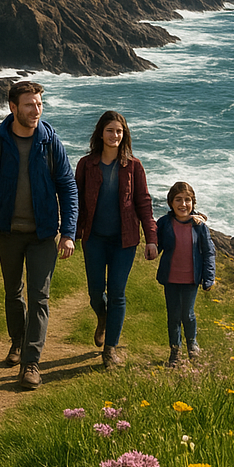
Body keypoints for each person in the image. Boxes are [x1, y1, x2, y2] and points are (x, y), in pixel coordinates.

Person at [0, 80, 78, 390]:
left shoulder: (50, 141)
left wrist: (68, 233)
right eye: (30, 105)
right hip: (7, 231)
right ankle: (17, 341)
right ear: (13, 107)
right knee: (13, 292)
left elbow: (68, 188)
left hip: (43, 234)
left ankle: (31, 363)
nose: (36, 110)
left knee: (39, 297)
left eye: (40, 104)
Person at [74, 110, 158, 369]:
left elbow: (143, 202)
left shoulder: (134, 166)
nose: (115, 135)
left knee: (118, 294)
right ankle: (103, 317)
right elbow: (75, 201)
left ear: (125, 135)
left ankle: (110, 350)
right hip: (94, 239)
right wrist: (70, 234)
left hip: (125, 241)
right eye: (110, 130)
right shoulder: (86, 164)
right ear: (101, 133)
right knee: (95, 292)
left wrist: (151, 238)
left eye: (119, 131)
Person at [155, 181, 216, 367]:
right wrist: (150, 248)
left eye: (187, 200)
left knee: (187, 314)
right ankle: (175, 352)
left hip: (191, 279)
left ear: (193, 202)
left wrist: (209, 277)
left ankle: (192, 346)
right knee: (173, 316)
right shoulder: (164, 223)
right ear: (170, 203)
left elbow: (209, 252)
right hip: (171, 277)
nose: (183, 204)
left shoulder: (199, 225)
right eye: (178, 200)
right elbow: (157, 245)